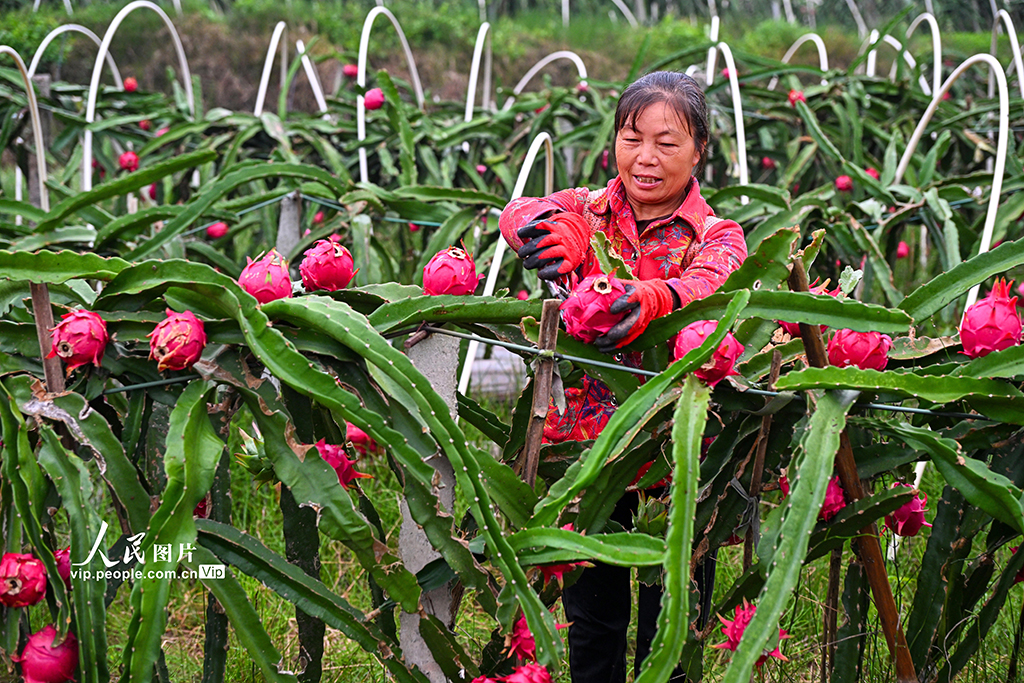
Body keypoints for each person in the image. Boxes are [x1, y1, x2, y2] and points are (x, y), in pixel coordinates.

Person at [498, 71, 748, 682]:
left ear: (699, 152)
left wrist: (656, 300)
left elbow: (712, 284)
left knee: (674, 628)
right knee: (592, 625)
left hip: (680, 456)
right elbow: (520, 213)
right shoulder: (586, 209)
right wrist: (553, 229)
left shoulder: (718, 235)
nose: (646, 158)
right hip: (588, 456)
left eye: (667, 143)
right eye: (632, 138)